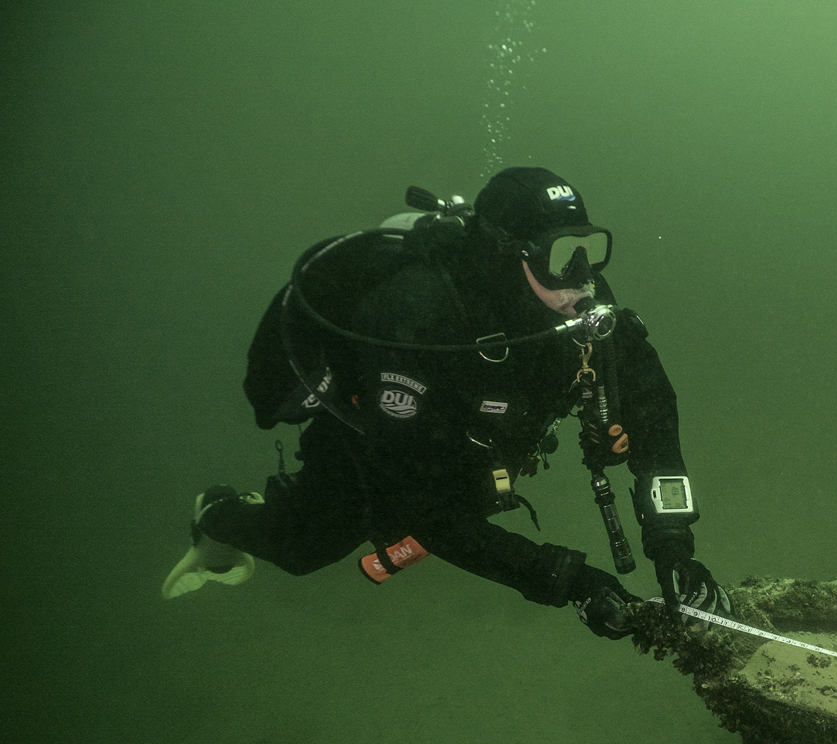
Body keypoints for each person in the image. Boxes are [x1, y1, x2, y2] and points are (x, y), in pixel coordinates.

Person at [162, 166, 730, 639]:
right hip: (379, 451)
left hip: (474, 455)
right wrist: (566, 580)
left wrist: (673, 547)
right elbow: (419, 507)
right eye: (562, 254)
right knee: (305, 547)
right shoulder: (417, 322)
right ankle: (216, 515)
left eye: (591, 250)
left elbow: (655, 421)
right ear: (511, 255)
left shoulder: (582, 313)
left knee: (474, 498)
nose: (582, 279)